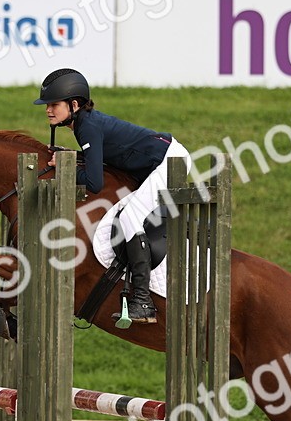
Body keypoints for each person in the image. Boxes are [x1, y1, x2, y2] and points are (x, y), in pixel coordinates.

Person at [34, 68, 190, 325]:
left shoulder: (88, 127)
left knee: (130, 218)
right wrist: (72, 157)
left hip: (169, 162)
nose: (48, 110)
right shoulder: (84, 124)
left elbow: (95, 182)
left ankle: (143, 300)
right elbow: (100, 159)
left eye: (54, 104)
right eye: (47, 105)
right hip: (157, 162)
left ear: (74, 104)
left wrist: (65, 168)